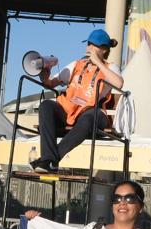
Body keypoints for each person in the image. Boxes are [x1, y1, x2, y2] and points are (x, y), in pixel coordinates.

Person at [30, 29, 124, 174]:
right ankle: (49, 160)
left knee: (87, 119)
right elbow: (51, 84)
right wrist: (44, 77)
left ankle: (49, 160)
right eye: (89, 44)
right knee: (46, 105)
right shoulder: (76, 64)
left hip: (94, 112)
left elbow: (118, 83)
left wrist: (98, 63)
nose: (90, 48)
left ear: (104, 50)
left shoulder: (110, 67)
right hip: (69, 109)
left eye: (95, 46)